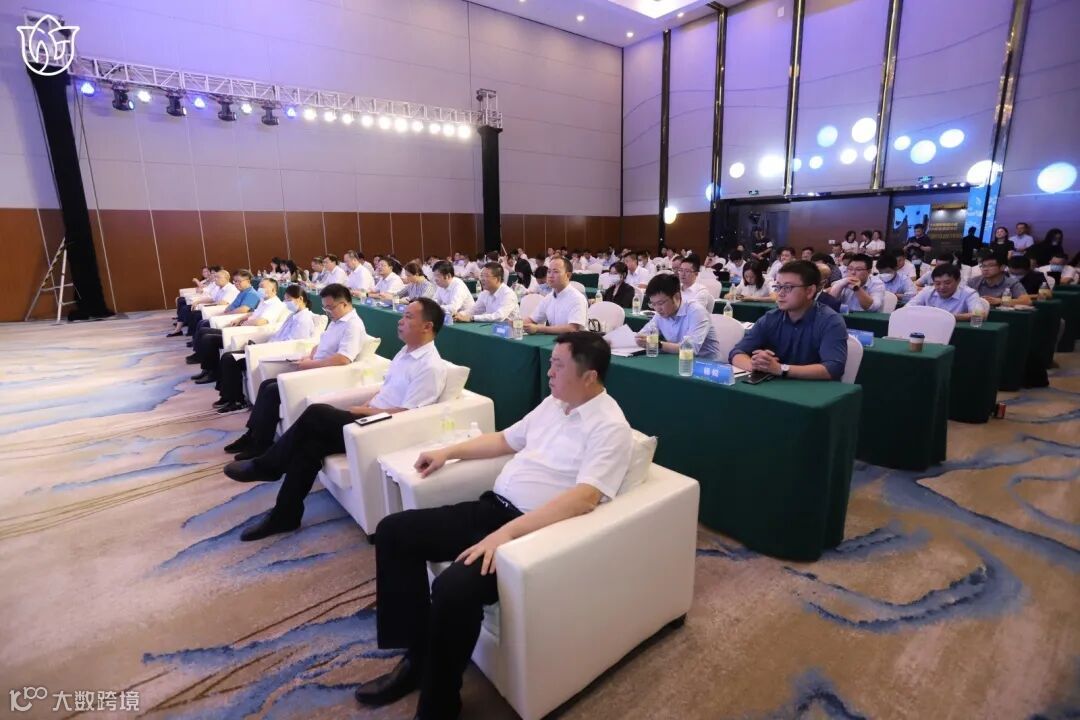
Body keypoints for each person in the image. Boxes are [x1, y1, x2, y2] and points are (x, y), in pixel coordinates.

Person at [353, 332, 630, 719]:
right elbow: (504, 440)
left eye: (558, 365)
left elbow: (585, 497)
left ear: (589, 377)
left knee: (454, 588)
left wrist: (507, 535)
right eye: (550, 363)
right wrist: (448, 452)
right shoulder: (554, 404)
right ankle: (418, 658)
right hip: (491, 510)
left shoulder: (610, 427)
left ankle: (439, 705)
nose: (549, 372)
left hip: (530, 534)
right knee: (393, 532)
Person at [224, 297, 449, 541]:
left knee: (317, 413)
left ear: (427, 326)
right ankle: (285, 515)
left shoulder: (430, 366)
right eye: (403, 315)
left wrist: (362, 412)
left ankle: (267, 466)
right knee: (308, 447)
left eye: (408, 317)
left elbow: (408, 414)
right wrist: (365, 404)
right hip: (369, 419)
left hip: (384, 430)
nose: (400, 321)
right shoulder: (405, 353)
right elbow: (386, 391)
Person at [224, 284, 369, 460]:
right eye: (325, 307)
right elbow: (324, 344)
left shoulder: (353, 325)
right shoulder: (338, 320)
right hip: (315, 366)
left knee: (272, 391)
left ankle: (261, 443)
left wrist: (310, 364)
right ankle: (251, 435)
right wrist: (311, 353)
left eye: (330, 307)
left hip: (325, 374)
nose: (328, 311)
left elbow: (343, 359)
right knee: (267, 385)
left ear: (344, 304)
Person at [729, 260, 848, 380]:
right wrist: (757, 365)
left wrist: (781, 369)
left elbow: (833, 368)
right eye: (778, 287)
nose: (780, 293)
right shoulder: (770, 318)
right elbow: (737, 352)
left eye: (787, 287)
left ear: (810, 291)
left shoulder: (830, 321)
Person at [213, 285, 318, 413]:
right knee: (228, 356)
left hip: (276, 352)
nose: (286, 303)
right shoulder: (293, 315)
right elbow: (278, 335)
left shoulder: (304, 319)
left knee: (230, 359)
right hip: (269, 347)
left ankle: (237, 401)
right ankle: (227, 397)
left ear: (300, 299)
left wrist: (265, 347)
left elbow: (294, 343)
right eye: (285, 299)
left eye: (288, 299)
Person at [192, 276, 286, 384]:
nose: (260, 289)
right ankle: (206, 370)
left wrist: (245, 323)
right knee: (204, 331)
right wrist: (240, 318)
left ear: (274, 290)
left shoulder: (275, 304)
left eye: (263, 287)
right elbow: (254, 313)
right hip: (241, 328)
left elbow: (261, 321)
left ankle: (212, 373)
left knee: (208, 338)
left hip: (248, 332)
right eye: (259, 286)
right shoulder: (264, 300)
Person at [634, 273, 722, 359]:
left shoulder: (696, 311)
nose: (657, 309)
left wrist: (659, 344)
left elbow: (690, 349)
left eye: (660, 303)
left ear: (676, 297)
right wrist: (640, 339)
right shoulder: (660, 314)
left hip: (705, 363)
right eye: (653, 304)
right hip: (677, 359)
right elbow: (644, 333)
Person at [186, 270, 260, 363]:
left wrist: (225, 315)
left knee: (204, 329)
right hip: (228, 317)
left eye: (239, 281)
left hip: (233, 321)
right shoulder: (242, 292)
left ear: (248, 281)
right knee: (203, 325)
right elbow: (230, 306)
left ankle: (201, 357)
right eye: (235, 281)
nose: (236, 284)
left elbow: (243, 310)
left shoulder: (251, 294)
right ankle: (199, 354)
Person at [523, 257, 587, 335]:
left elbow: (573, 328)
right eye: (549, 272)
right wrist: (516, 324)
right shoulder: (548, 298)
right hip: (555, 340)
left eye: (556, 272)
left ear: (568, 275)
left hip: (575, 340)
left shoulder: (577, 298)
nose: (550, 276)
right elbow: (532, 319)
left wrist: (538, 328)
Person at [907, 264, 982, 319]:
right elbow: (907, 309)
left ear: (958, 281)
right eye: (937, 283)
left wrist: (948, 317)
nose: (942, 287)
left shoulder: (969, 293)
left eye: (947, 283)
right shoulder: (927, 291)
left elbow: (979, 314)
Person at [454, 262, 519, 323]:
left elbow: (499, 316)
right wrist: (459, 314)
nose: (482, 279)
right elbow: (475, 310)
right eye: (482, 275)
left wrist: (472, 318)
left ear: (498, 279)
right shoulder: (485, 293)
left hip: (511, 328)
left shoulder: (508, 294)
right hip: (491, 327)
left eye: (486, 276)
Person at [182, 268, 239, 337]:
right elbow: (212, 299)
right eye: (215, 277)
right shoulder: (219, 287)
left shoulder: (231, 288)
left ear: (226, 279)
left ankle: (195, 337)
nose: (215, 279)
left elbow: (223, 303)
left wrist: (206, 307)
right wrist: (198, 301)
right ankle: (193, 336)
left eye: (218, 277)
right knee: (194, 313)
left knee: (199, 318)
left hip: (223, 310)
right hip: (215, 307)